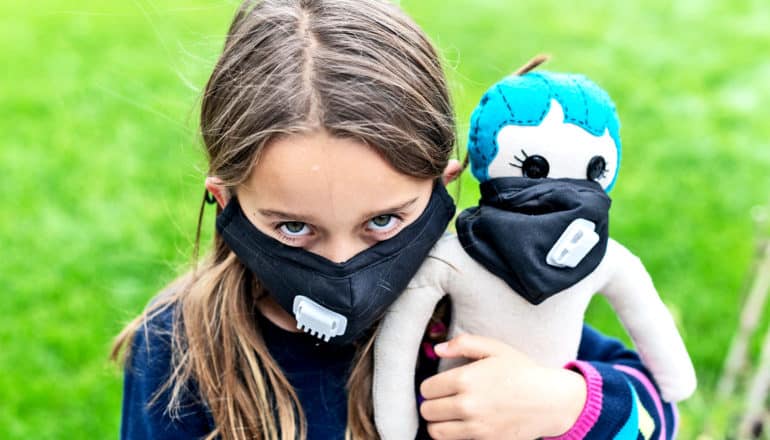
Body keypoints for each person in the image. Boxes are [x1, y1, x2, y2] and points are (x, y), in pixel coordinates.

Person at [111, 0, 679, 439]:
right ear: (227, 201)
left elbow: (660, 413)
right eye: (294, 228)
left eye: (382, 222)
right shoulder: (180, 346)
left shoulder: (481, 297)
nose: (343, 267)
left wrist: (565, 404)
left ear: (444, 185)